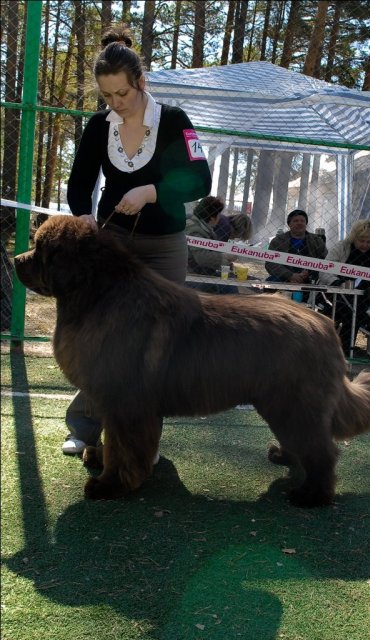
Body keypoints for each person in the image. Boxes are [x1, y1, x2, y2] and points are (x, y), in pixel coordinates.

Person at [62, 25, 212, 455]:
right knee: (103, 338)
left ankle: (141, 440)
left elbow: (201, 179)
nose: (115, 104)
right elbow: (79, 184)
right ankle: (85, 428)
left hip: (165, 247)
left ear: (141, 83)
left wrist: (152, 192)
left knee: (156, 346)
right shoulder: (97, 127)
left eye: (122, 95)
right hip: (113, 246)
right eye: (107, 97)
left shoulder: (176, 120)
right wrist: (85, 219)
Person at [318, 219, 370, 355]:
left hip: (364, 296)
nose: (365, 245)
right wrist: (336, 282)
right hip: (337, 292)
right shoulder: (341, 247)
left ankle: (345, 348)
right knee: (347, 309)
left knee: (357, 309)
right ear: (354, 238)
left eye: (369, 242)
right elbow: (325, 270)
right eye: (362, 241)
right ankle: (333, 346)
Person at [265, 209, 327, 284]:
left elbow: (325, 261)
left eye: (302, 221)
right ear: (289, 224)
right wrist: (290, 275)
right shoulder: (278, 241)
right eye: (296, 221)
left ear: (306, 224)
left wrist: (309, 272)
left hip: (310, 278)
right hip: (284, 277)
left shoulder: (317, 241)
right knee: (270, 282)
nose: (299, 223)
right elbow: (270, 264)